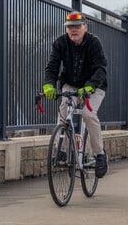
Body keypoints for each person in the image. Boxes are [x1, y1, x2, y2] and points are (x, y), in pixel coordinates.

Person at [43, 11, 108, 178]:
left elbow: (101, 69)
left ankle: (99, 154)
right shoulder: (60, 43)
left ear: (85, 27)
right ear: (66, 29)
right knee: (64, 110)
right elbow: (52, 66)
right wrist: (49, 85)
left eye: (77, 26)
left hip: (95, 86)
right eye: (70, 27)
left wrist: (90, 87)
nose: (74, 30)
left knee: (88, 114)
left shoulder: (94, 43)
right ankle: (62, 149)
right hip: (71, 84)